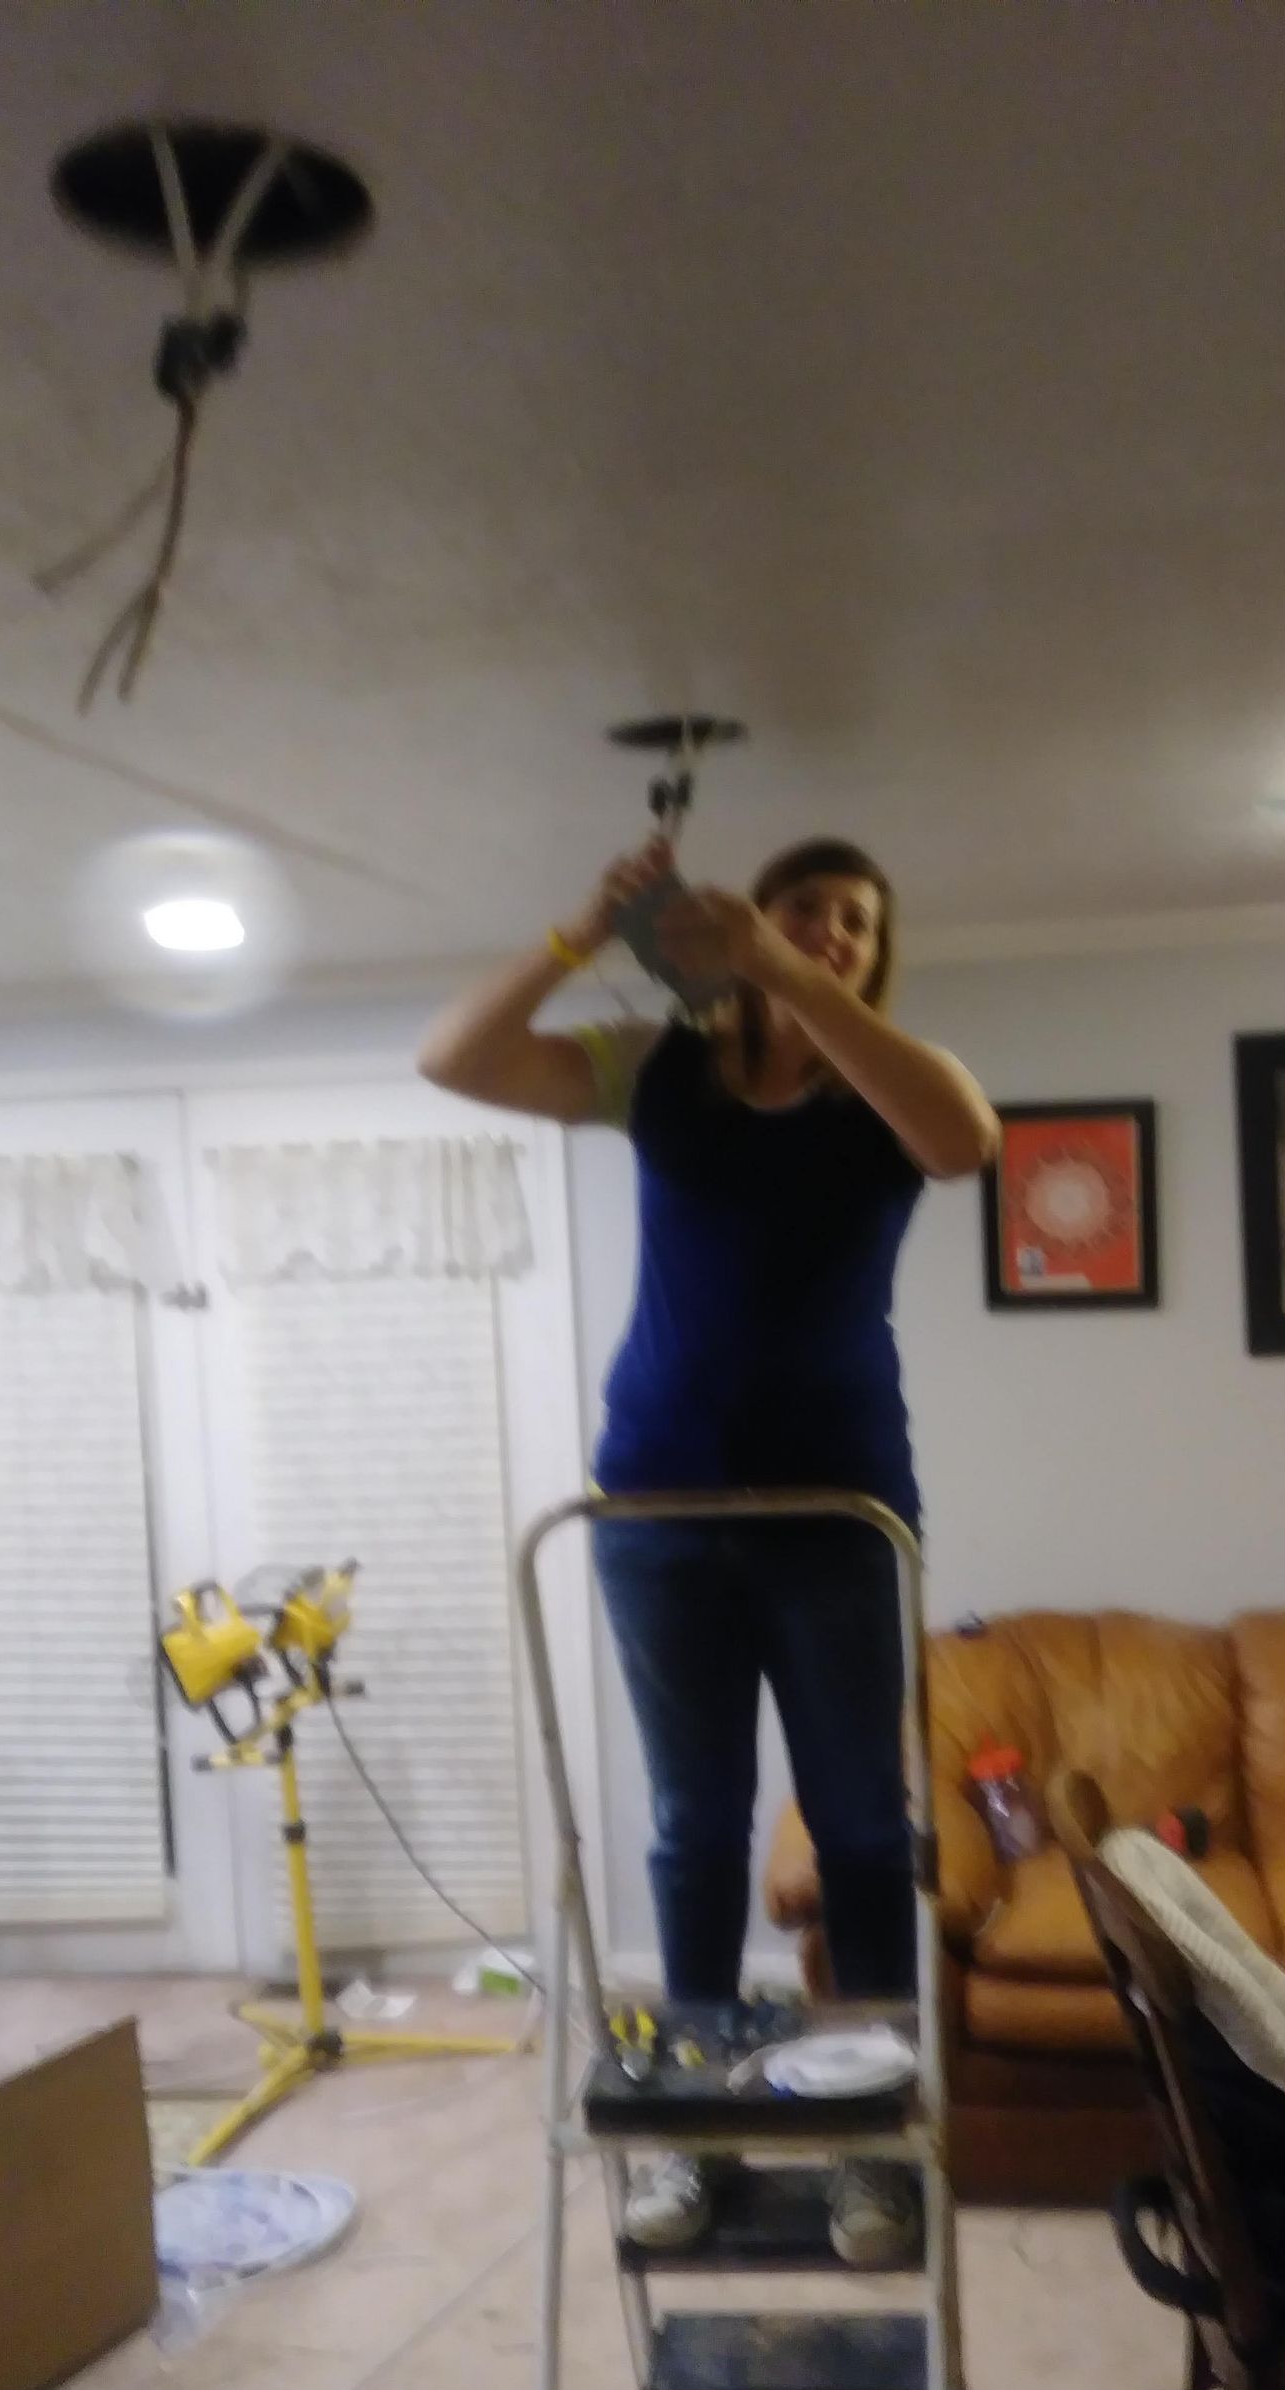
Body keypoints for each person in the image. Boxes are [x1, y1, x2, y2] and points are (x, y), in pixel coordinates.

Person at [418, 834, 998, 2264]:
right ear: (751, 914)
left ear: (875, 950)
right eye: (809, 907)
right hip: (659, 1514)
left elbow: (966, 1144)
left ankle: (870, 2155)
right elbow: (455, 1059)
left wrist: (786, 971)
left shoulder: (887, 1082)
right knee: (692, 1835)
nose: (833, 931)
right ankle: (687, 2141)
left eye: (858, 920)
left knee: (865, 1835)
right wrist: (583, 926)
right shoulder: (656, 1066)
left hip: (839, 1518)